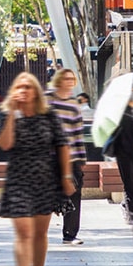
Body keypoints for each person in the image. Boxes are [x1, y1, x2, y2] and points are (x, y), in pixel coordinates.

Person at [0, 72, 75, 266]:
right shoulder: (9, 115)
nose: (24, 91)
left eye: (28, 87)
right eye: (19, 87)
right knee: (23, 232)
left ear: (36, 92)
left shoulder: (48, 116)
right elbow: (5, 144)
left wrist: (66, 176)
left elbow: (62, 145)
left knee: (40, 233)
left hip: (45, 178)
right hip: (18, 179)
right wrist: (12, 113)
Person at [46, 69, 86, 246]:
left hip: (71, 157)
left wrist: (81, 157)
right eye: (66, 78)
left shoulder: (73, 103)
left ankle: (70, 234)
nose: (70, 82)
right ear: (59, 80)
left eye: (72, 79)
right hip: (50, 156)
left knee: (74, 192)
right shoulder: (47, 99)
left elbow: (78, 132)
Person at [109, 86, 133, 225]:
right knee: (129, 184)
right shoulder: (118, 110)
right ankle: (132, 215)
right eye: (132, 91)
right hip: (123, 152)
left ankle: (126, 204)